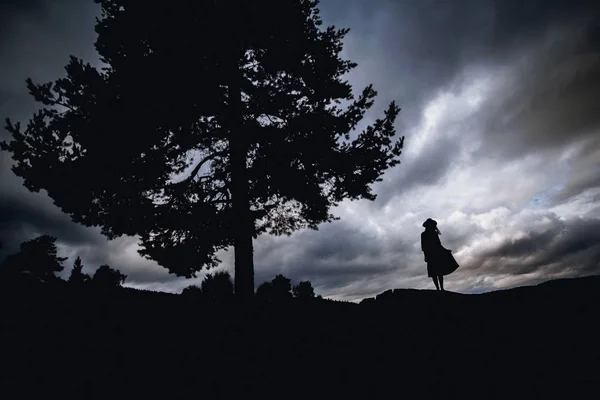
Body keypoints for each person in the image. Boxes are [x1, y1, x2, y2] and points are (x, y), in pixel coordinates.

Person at [421, 218, 459, 291]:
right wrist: (425, 256)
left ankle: (441, 288)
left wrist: (445, 250)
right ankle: (438, 288)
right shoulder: (424, 234)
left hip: (436, 253)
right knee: (434, 272)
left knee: (438, 271)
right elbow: (424, 247)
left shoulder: (433, 233)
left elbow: (438, 244)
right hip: (431, 254)